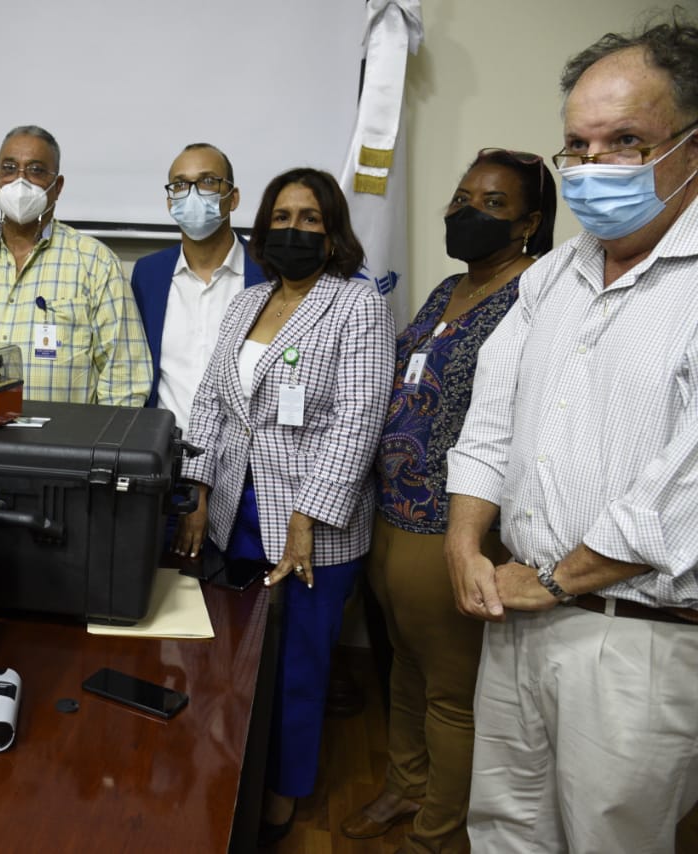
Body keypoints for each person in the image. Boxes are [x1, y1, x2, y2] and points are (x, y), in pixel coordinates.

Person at [445, 16, 698, 852]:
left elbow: (681, 495)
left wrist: (554, 581)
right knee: (505, 831)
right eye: (578, 148)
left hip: (636, 640)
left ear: (691, 148)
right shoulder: (553, 274)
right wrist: (465, 542)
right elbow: (490, 419)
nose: (593, 168)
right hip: (519, 614)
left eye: (624, 142)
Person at [343, 148, 555, 852]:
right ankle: (405, 786)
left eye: (493, 204)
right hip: (394, 512)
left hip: (453, 522)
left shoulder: (535, 294)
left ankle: (437, 830)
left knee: (451, 692)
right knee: (404, 665)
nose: (468, 212)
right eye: (463, 198)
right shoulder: (447, 288)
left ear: (528, 223)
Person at [174, 167, 395, 844]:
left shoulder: (358, 304)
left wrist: (306, 519)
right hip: (233, 511)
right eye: (281, 217)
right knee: (230, 658)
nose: (292, 229)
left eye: (309, 219)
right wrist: (196, 491)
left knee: (298, 665)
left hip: (311, 526)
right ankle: (234, 766)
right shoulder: (248, 301)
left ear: (332, 234)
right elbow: (211, 403)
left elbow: (359, 420)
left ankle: (283, 790)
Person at [0, 126, 152, 406]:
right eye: (9, 169)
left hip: (63, 434)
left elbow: (125, 380)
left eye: (35, 170)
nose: (20, 181)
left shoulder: (96, 263)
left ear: (57, 186)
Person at [130, 143, 265, 435]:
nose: (192, 194)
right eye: (180, 185)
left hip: (245, 450)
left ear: (233, 198)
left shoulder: (267, 273)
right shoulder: (148, 274)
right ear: (170, 203)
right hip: (166, 448)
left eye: (207, 181)